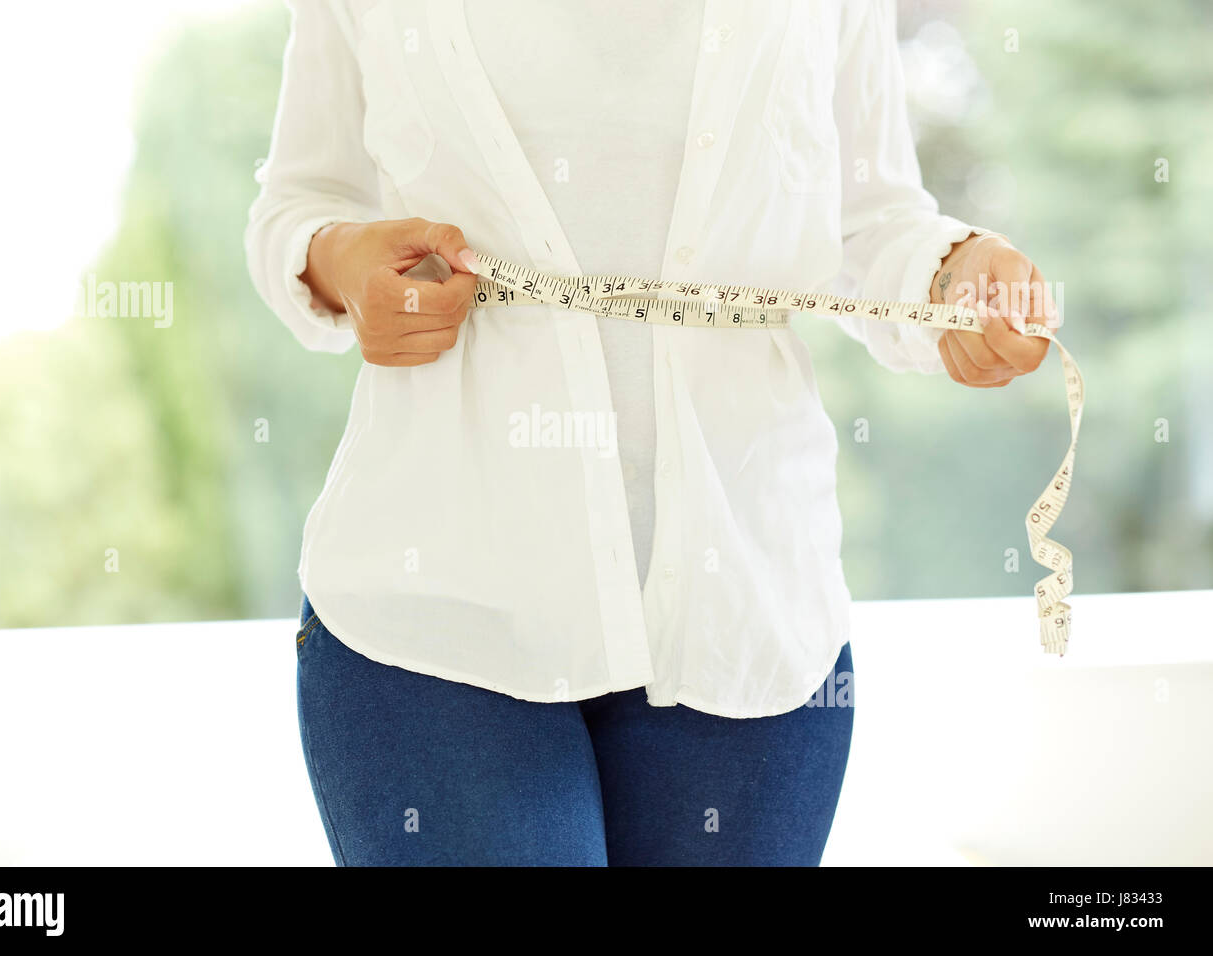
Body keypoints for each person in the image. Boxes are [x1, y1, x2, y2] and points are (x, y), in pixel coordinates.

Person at [245, 0, 1060, 867]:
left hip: (745, 611)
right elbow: (301, 200)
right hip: (440, 610)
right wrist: (342, 263)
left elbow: (869, 216)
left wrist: (951, 276)